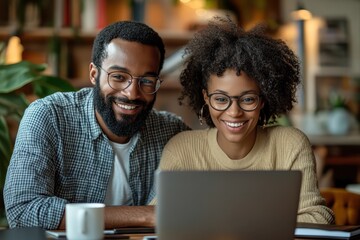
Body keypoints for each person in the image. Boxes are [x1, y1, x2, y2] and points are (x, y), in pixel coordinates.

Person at [3, 21, 190, 230]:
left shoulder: (173, 132)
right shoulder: (49, 116)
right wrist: (144, 215)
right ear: (94, 74)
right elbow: (23, 211)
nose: (132, 93)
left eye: (146, 81)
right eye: (118, 77)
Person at [156, 17, 335, 224]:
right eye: (221, 99)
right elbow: (159, 217)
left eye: (248, 99)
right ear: (206, 97)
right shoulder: (181, 149)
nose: (234, 112)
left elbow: (318, 217)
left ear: (263, 99)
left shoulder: (290, 144)